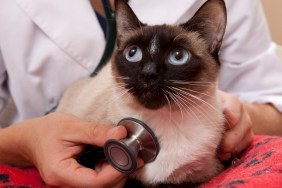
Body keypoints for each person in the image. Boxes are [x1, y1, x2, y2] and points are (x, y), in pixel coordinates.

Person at [0, 0, 281, 187]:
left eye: (177, 56)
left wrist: (244, 114)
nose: (148, 73)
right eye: (132, 53)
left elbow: (275, 101)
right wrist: (24, 141)